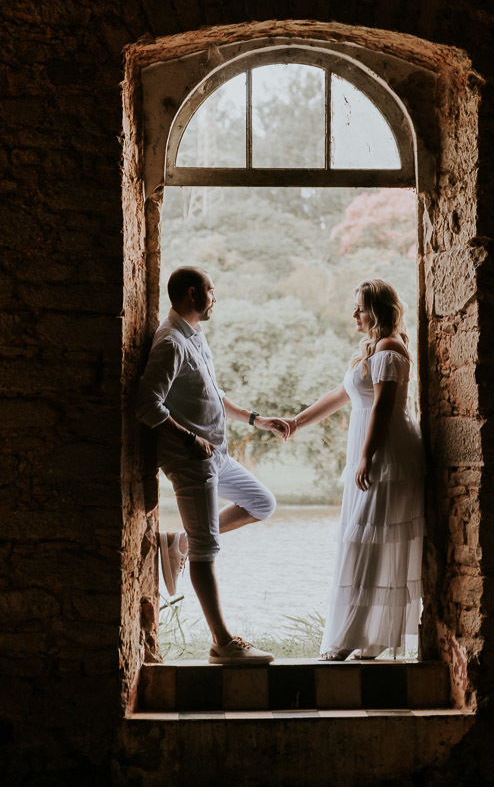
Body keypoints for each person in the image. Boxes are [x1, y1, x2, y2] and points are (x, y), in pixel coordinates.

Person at [136, 266, 290, 664]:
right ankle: (223, 643)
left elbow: (213, 394)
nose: (215, 297)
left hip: (215, 456)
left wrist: (257, 420)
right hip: (190, 460)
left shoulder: (195, 336)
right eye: (211, 290)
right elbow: (146, 405)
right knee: (208, 551)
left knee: (263, 503)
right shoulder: (170, 342)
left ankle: (180, 542)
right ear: (192, 293)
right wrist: (190, 439)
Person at [285, 279, 425, 661]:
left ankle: (355, 637)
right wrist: (296, 422)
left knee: (369, 540)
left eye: (360, 308)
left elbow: (382, 408)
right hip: (374, 451)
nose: (354, 315)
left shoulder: (390, 347)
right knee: (365, 538)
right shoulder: (369, 351)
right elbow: (339, 396)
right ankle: (369, 637)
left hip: (388, 455)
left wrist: (367, 457)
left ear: (377, 311)